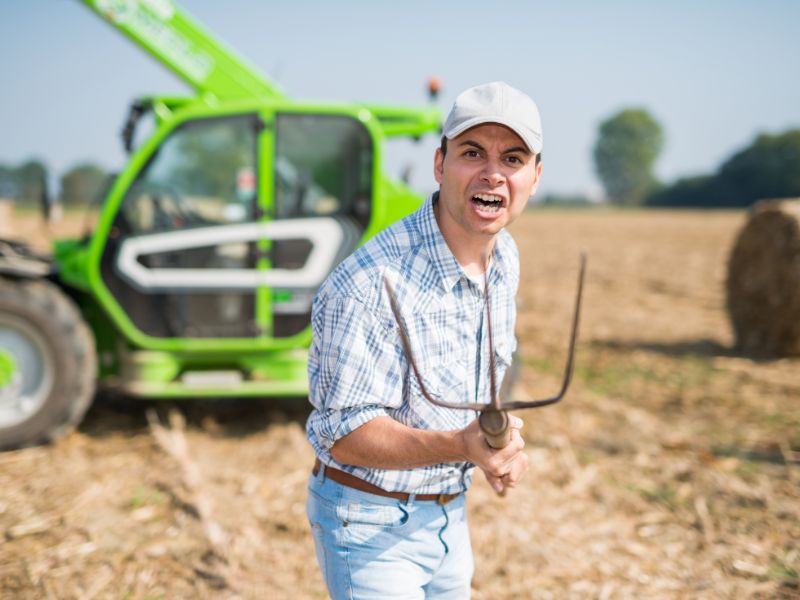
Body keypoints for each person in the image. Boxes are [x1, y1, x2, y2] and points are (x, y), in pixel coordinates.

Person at [306, 81, 543, 599]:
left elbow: (478, 386)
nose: (493, 173)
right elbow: (342, 433)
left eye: (513, 158)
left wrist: (497, 449)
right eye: (472, 153)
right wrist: (460, 446)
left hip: (447, 515)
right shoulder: (368, 284)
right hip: (368, 522)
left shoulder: (504, 259)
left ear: (535, 177)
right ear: (439, 164)